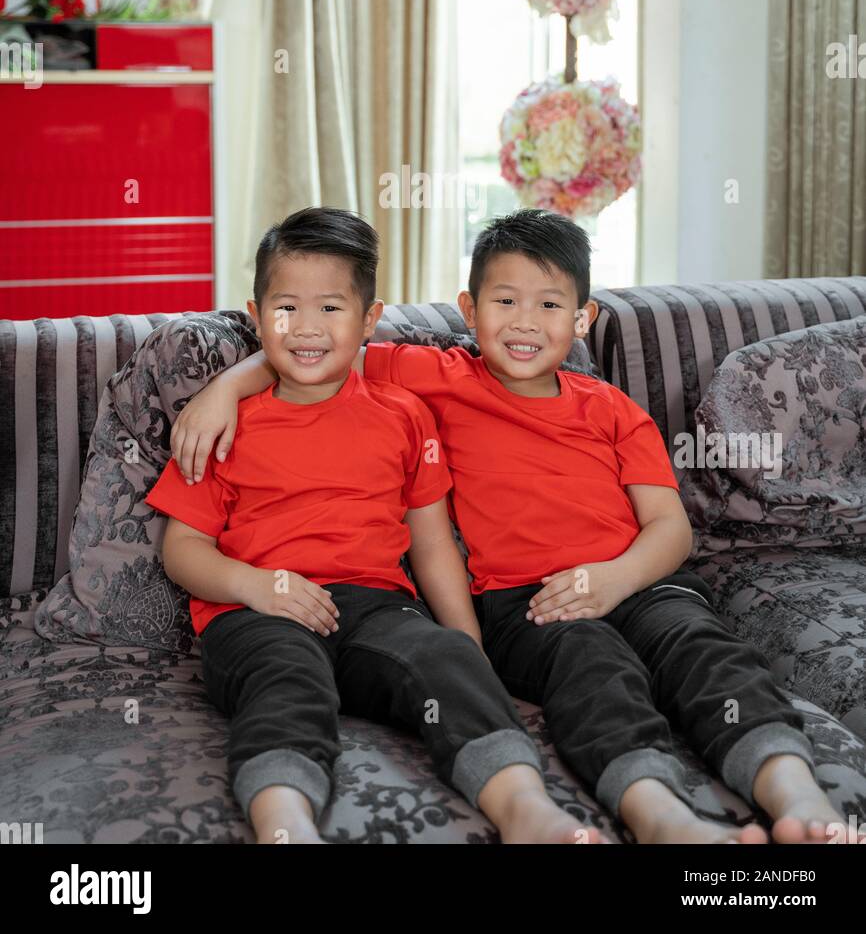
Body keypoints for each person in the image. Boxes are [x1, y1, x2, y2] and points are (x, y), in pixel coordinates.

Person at [171, 208, 858, 844]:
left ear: (583, 318)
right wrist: (223, 388)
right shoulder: (428, 378)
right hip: (514, 601)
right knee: (590, 659)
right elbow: (320, 347)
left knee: (704, 648)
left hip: (630, 583)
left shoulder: (611, 410)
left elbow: (667, 531)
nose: (524, 323)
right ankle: (658, 815)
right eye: (505, 302)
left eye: (549, 305)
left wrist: (602, 583)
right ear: (469, 310)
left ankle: (795, 796)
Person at [146, 207, 598, 845]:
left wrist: (469, 645)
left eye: (331, 309)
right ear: (256, 316)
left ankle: (526, 809)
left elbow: (433, 543)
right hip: (255, 610)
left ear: (368, 319)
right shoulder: (228, 424)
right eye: (286, 308)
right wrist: (256, 586)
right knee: (286, 679)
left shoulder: (404, 414)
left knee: (444, 660)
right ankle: (286, 824)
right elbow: (182, 549)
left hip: (375, 610)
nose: (307, 329)